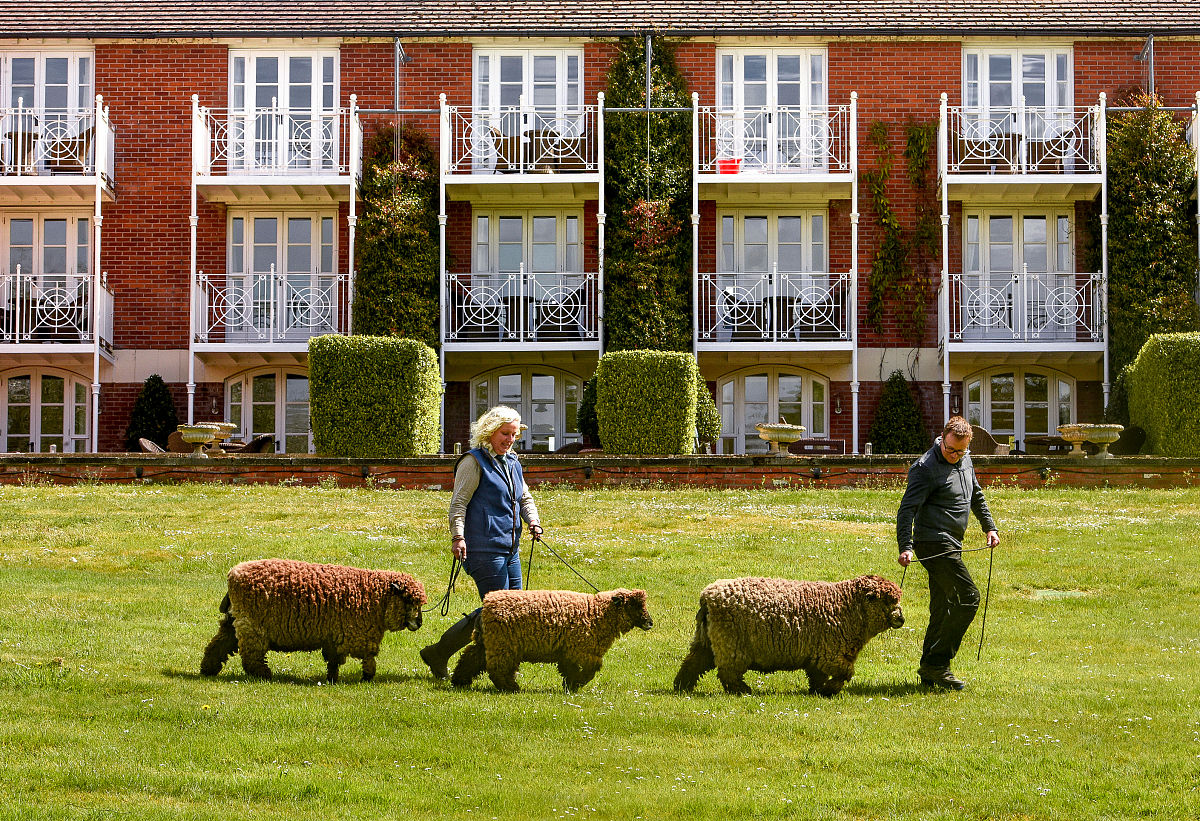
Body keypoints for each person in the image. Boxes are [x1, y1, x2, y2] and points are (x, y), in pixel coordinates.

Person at [420, 405, 543, 679]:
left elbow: (524, 498)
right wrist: (458, 536)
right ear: (490, 432)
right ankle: (454, 656)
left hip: (510, 548)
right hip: (483, 549)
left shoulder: (512, 461)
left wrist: (533, 521)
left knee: (512, 608)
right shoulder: (473, 462)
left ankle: (440, 653)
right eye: (505, 434)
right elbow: (458, 504)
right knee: (498, 611)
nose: (510, 440)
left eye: (514, 435)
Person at [896, 416, 999, 691]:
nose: (954, 456)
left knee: (942, 607)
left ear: (968, 446)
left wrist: (989, 527)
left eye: (961, 451)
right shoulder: (925, 468)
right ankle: (938, 663)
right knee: (969, 597)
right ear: (942, 438)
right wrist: (905, 546)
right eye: (950, 450)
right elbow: (907, 509)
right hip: (933, 543)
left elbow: (976, 494)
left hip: (953, 541)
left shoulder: (966, 460)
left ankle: (930, 670)